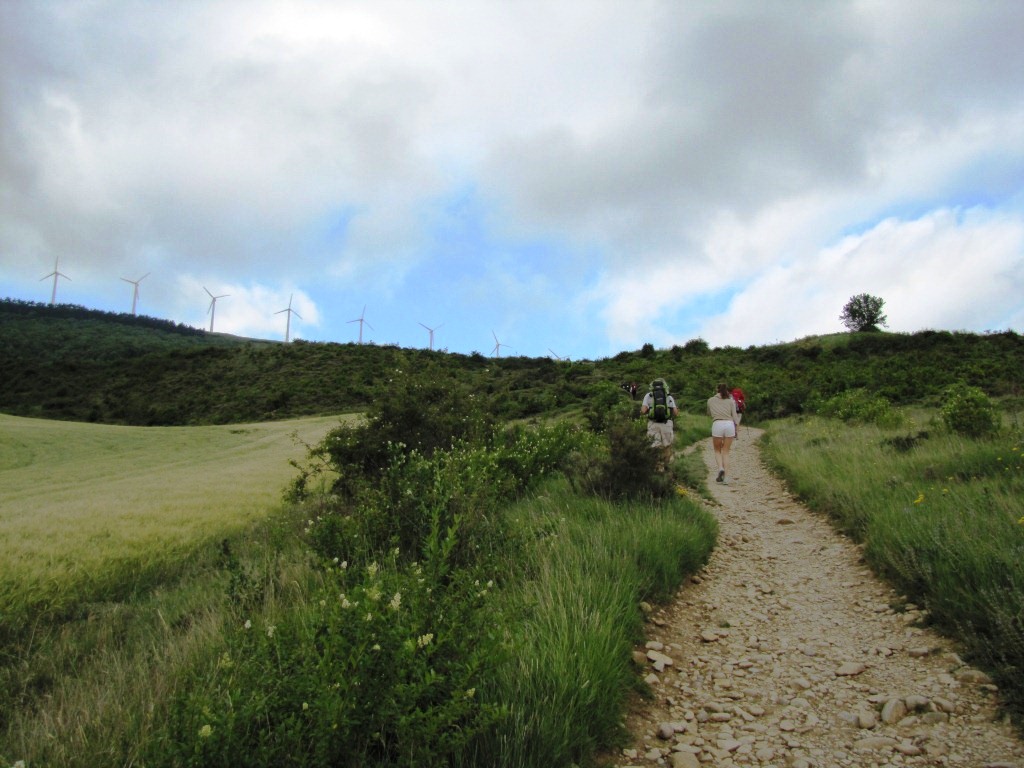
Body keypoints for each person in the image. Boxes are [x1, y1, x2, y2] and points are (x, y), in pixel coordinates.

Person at [640, 378, 679, 469]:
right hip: (666, 424)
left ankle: (657, 467)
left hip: (653, 423)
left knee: (654, 446)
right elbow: (675, 412)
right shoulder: (668, 396)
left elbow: (643, 410)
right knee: (667, 446)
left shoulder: (648, 396)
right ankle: (666, 466)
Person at [707, 382, 738, 483]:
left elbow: (709, 413)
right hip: (729, 424)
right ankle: (727, 477)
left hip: (717, 424)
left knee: (717, 450)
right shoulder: (731, 401)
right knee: (726, 452)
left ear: (717, 390)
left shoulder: (710, 400)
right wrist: (736, 429)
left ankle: (720, 468)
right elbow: (735, 417)